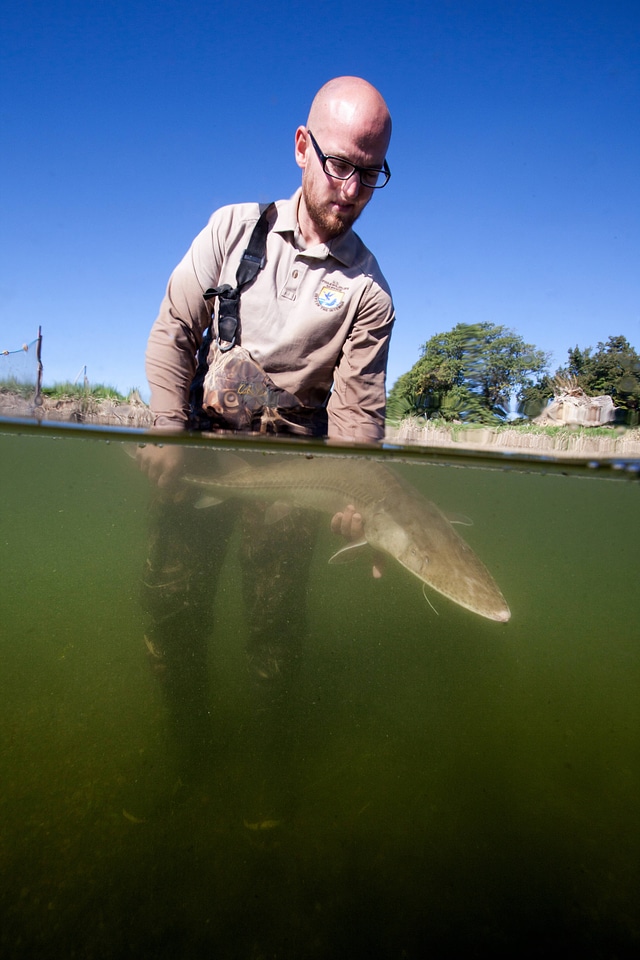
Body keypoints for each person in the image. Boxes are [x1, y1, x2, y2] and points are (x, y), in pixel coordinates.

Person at [136, 77, 394, 822]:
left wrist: (362, 499)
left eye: (369, 173)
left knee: (274, 634)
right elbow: (171, 335)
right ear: (301, 146)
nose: (350, 188)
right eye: (339, 163)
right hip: (201, 454)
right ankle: (187, 752)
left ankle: (271, 774)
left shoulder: (370, 294)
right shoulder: (232, 230)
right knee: (171, 612)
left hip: (292, 476)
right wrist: (169, 438)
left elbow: (355, 419)